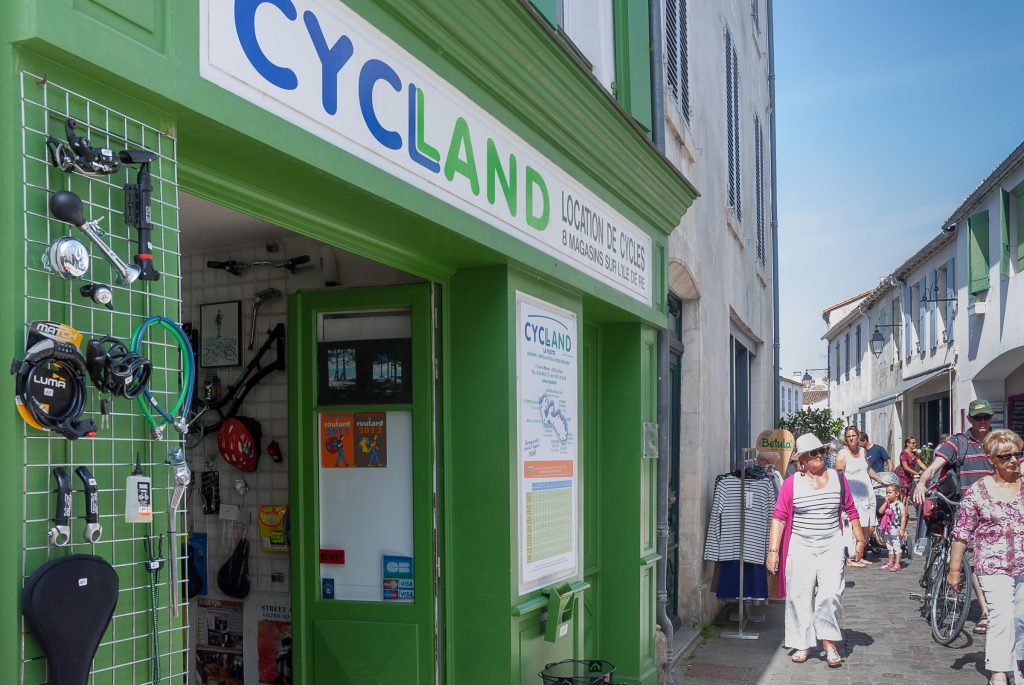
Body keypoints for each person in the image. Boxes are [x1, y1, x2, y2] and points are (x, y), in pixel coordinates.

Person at [767, 433, 865, 668]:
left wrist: (860, 538)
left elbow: (851, 509)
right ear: (802, 459)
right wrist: (773, 551)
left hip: (831, 543)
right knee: (799, 595)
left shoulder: (837, 478)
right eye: (813, 453)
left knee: (831, 594)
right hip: (800, 545)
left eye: (821, 451)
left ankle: (829, 642)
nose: (819, 455)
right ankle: (803, 643)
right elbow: (779, 517)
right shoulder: (791, 483)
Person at [948, 429, 1024, 685]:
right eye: (1006, 456)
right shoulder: (978, 491)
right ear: (991, 459)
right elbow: (962, 534)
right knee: (1001, 614)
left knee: (1020, 617)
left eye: (1017, 454)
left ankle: (1017, 662)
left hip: (1023, 563)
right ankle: (998, 671)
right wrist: (954, 570)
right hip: (992, 564)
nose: (1013, 460)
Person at [914, 398, 995, 635]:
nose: (982, 422)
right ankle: (986, 612)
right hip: (967, 509)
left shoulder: (998, 441)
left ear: (991, 418)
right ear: (969, 419)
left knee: (990, 561)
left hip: (995, 510)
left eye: (986, 417)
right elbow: (934, 466)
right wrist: (921, 482)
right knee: (974, 560)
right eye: (977, 418)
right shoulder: (959, 442)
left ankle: (992, 608)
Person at [835, 426, 880, 565]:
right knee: (854, 527)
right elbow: (839, 476)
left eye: (853, 435)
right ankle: (851, 557)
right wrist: (842, 496)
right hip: (852, 495)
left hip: (867, 492)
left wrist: (881, 480)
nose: (851, 438)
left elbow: (868, 469)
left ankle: (859, 554)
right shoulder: (842, 454)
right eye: (848, 436)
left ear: (858, 436)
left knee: (869, 526)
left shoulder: (862, 451)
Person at [877, 484, 907, 571]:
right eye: (887, 493)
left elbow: (903, 517)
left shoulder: (900, 504)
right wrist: (885, 502)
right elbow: (880, 511)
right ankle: (890, 563)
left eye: (890, 492)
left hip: (896, 528)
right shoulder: (888, 504)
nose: (888, 494)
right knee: (889, 546)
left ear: (897, 494)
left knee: (896, 546)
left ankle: (897, 564)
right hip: (887, 528)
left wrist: (902, 529)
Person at [897, 436, 925, 501]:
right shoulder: (904, 453)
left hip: (910, 477)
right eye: (913, 443)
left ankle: (906, 508)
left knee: (908, 496)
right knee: (903, 496)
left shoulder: (914, 454)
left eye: (915, 443)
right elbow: (905, 467)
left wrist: (928, 470)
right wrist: (917, 473)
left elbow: (921, 464)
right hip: (903, 477)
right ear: (907, 443)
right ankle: (902, 507)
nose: (915, 444)